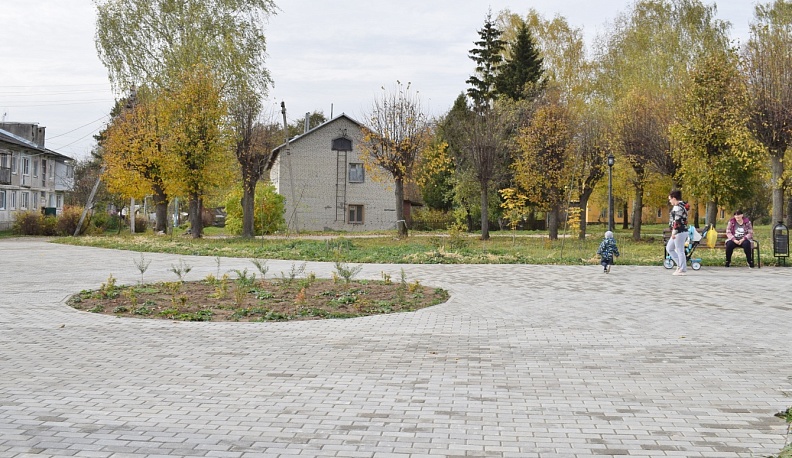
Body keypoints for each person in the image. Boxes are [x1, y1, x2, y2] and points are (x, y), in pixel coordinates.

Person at [667, 190, 690, 276]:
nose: (670, 201)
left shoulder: (677, 207)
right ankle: (680, 265)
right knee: (669, 248)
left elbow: (677, 221)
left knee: (679, 250)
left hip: (679, 231)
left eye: (670, 199)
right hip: (680, 231)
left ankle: (682, 269)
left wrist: (674, 232)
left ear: (674, 198)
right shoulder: (682, 205)